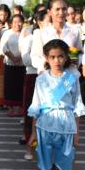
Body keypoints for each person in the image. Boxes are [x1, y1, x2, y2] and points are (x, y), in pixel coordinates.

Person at [28, 39, 85, 170]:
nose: (57, 60)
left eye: (60, 56)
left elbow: (77, 105)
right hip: (45, 126)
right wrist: (32, 133)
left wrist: (77, 132)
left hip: (67, 126)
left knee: (62, 165)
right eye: (52, 57)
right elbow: (36, 106)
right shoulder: (41, 79)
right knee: (43, 164)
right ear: (46, 57)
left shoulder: (72, 79)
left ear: (66, 56)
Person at [19, 9, 50, 160]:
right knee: (32, 114)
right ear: (40, 22)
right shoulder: (32, 37)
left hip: (56, 79)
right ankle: (29, 148)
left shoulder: (62, 34)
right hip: (34, 76)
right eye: (49, 20)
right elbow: (25, 60)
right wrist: (45, 62)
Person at [31, 0, 82, 74]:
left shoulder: (75, 32)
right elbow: (35, 56)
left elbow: (79, 53)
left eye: (64, 9)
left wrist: (75, 61)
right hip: (48, 76)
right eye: (57, 9)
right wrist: (45, 65)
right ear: (50, 12)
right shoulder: (41, 33)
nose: (61, 13)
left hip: (69, 77)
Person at [0, 14, 25, 116]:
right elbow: (3, 48)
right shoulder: (7, 33)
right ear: (11, 23)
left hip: (22, 63)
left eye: (19, 22)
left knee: (20, 86)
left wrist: (20, 57)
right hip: (10, 63)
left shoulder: (26, 34)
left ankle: (20, 108)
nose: (17, 24)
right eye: (15, 22)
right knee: (10, 86)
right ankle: (11, 108)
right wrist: (13, 57)